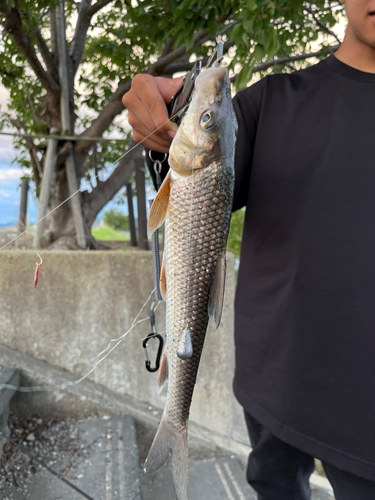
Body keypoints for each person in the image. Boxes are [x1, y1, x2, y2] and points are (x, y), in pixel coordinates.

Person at [122, 1, 375, 498]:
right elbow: (194, 158)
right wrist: (162, 114)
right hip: (271, 375)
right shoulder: (272, 101)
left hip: (364, 403)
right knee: (273, 486)